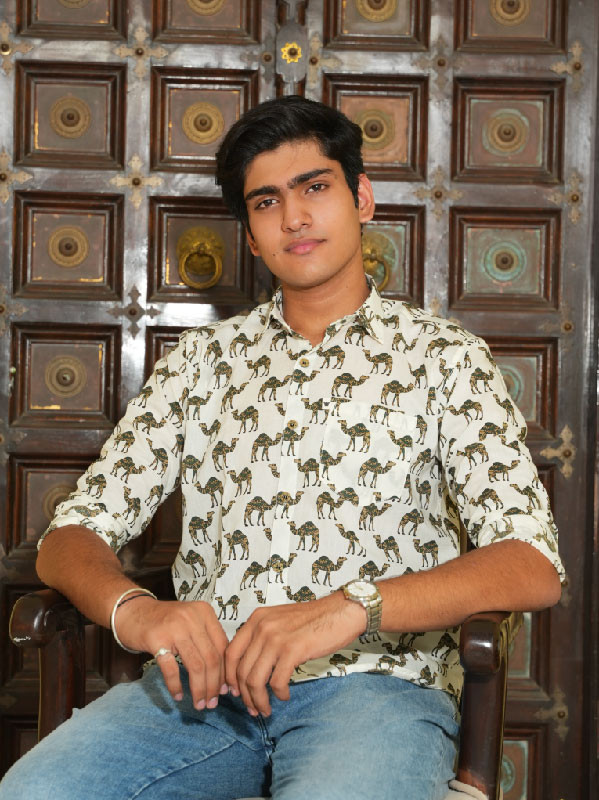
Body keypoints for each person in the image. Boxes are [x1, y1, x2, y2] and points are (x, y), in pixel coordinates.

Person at [0, 96, 564, 800]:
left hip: (375, 692)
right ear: (251, 235)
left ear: (361, 198)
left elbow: (531, 564)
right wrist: (136, 610)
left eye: (314, 187)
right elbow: (69, 537)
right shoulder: (200, 363)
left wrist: (353, 606)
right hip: (205, 693)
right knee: (36, 791)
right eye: (266, 202)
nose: (293, 217)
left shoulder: (445, 358)